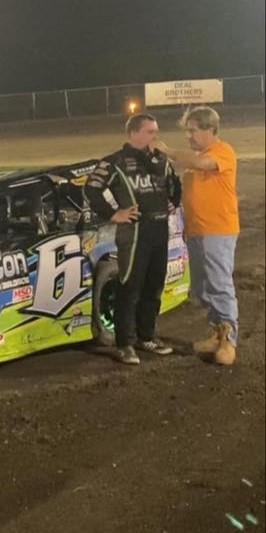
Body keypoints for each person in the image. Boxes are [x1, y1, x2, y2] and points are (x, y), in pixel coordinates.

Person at [84, 113, 181, 365]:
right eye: (150, 131)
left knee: (154, 286)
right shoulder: (115, 162)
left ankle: (146, 337)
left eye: (156, 131)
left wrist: (173, 201)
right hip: (135, 233)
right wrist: (114, 214)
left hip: (160, 230)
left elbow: (175, 186)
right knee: (130, 287)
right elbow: (91, 189)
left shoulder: (161, 160)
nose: (155, 136)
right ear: (133, 133)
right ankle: (124, 344)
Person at [153, 106, 239, 365]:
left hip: (218, 231)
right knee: (202, 288)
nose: (188, 136)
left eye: (192, 131)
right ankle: (217, 332)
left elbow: (201, 163)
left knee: (219, 284)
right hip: (197, 231)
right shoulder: (197, 159)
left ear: (210, 129)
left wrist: (167, 151)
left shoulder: (222, 152)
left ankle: (229, 341)